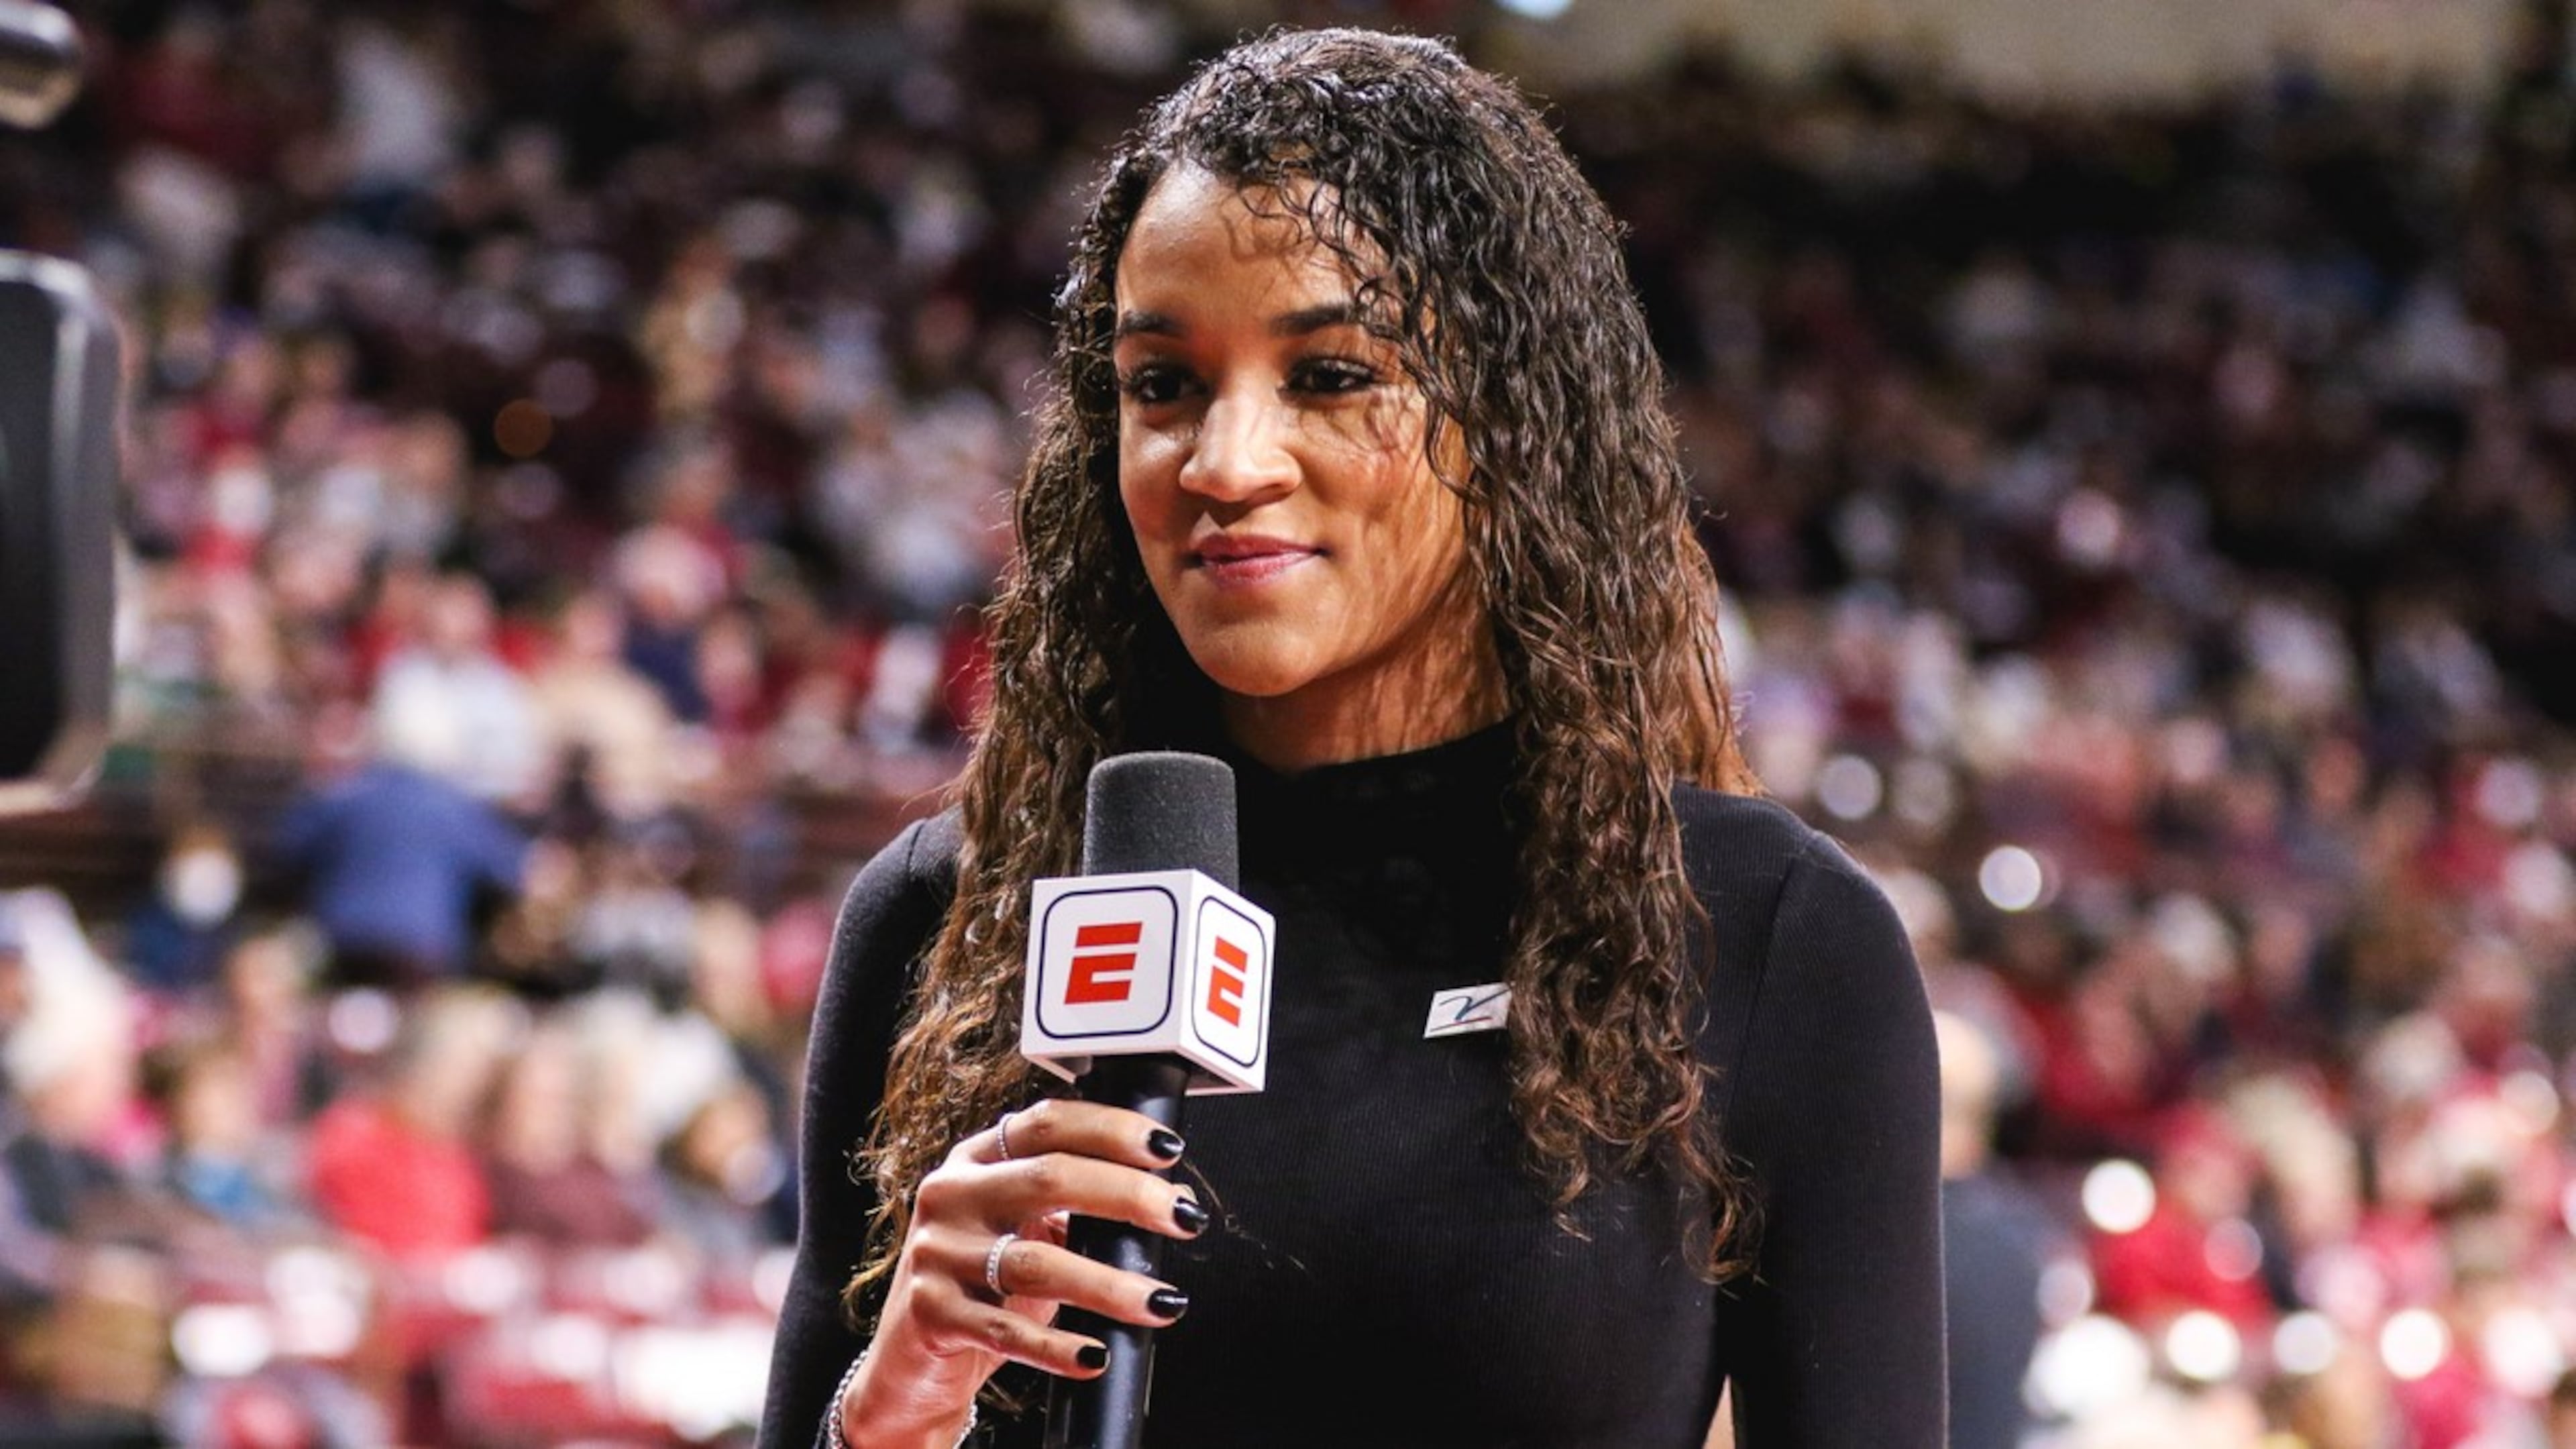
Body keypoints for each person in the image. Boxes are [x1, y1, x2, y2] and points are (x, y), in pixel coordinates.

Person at [759, 28, 1943, 1449]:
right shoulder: (938, 924)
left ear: (1511, 421)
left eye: (1331, 376)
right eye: (1162, 385)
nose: (1224, 462)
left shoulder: (1760, 938)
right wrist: (879, 1422)